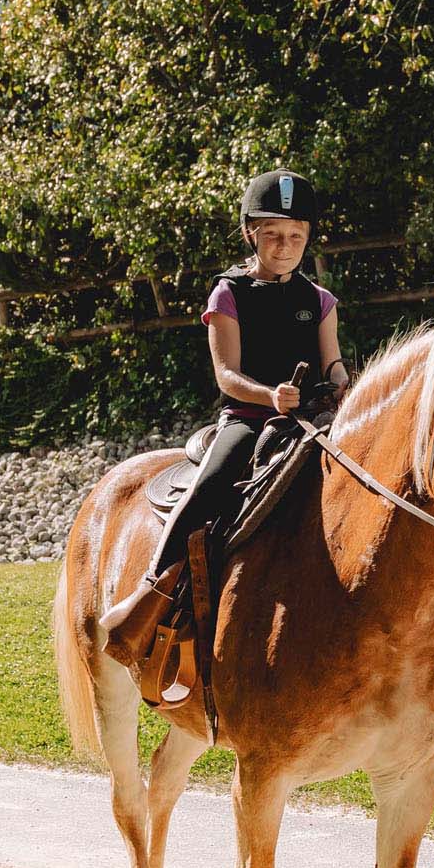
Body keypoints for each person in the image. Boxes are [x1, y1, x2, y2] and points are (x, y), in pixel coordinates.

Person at [139, 169, 348, 588]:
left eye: (295, 236)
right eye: (272, 234)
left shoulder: (320, 300)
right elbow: (226, 375)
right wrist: (270, 396)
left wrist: (346, 385)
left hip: (314, 418)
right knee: (211, 487)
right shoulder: (228, 293)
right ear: (251, 233)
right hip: (249, 419)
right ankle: (156, 587)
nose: (284, 246)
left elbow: (332, 365)